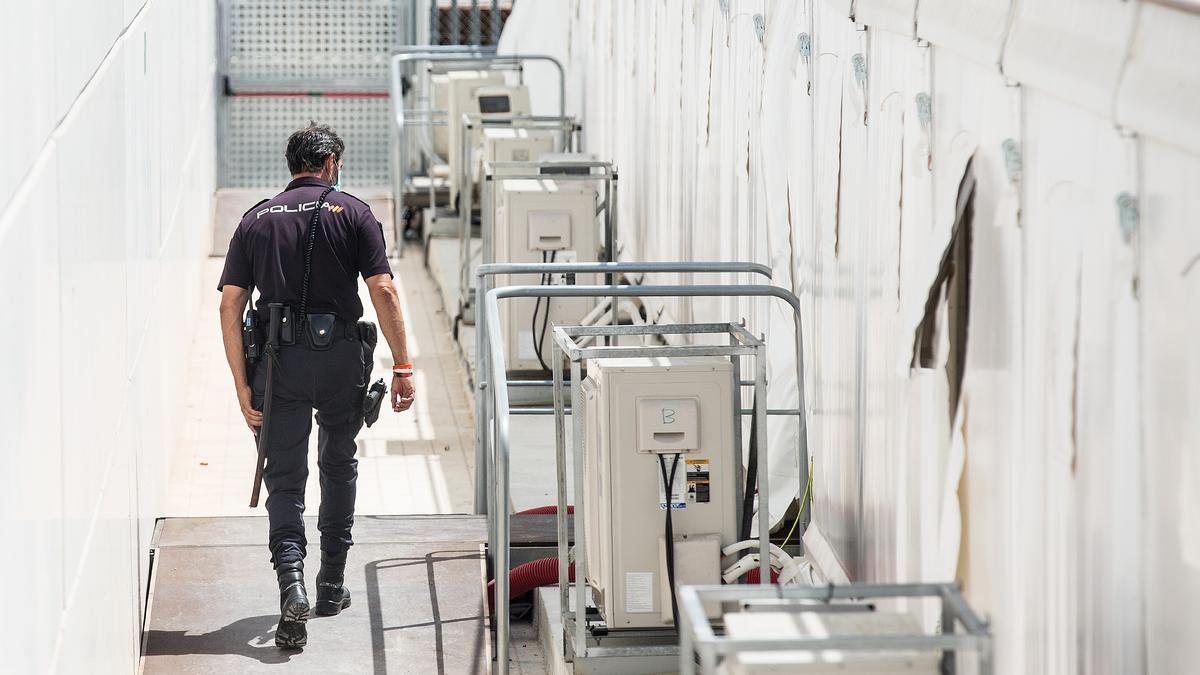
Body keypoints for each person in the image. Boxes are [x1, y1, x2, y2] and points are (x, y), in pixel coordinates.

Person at [216, 123, 416, 648]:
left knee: (284, 478)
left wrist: (242, 384)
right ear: (329, 163)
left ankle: (292, 587)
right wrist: (402, 365)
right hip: (340, 361)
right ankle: (330, 584)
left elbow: (230, 304)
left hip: (278, 367)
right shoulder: (353, 211)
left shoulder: (255, 219)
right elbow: (384, 291)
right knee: (338, 462)